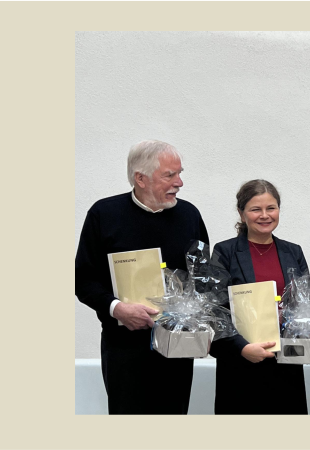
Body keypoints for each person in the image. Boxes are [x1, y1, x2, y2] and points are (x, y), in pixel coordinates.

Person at [75, 140, 209, 414]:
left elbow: (205, 278)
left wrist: (199, 316)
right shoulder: (104, 214)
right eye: (169, 175)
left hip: (177, 346)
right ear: (140, 178)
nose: (179, 182)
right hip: (124, 348)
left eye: (180, 173)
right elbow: (84, 280)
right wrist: (117, 309)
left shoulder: (190, 215)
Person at [210, 180, 310, 414]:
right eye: (255, 209)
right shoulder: (225, 252)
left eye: (271, 208)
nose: (264, 215)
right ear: (241, 213)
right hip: (241, 364)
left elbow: (307, 304)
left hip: (286, 363)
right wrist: (241, 348)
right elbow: (215, 309)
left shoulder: (293, 251)